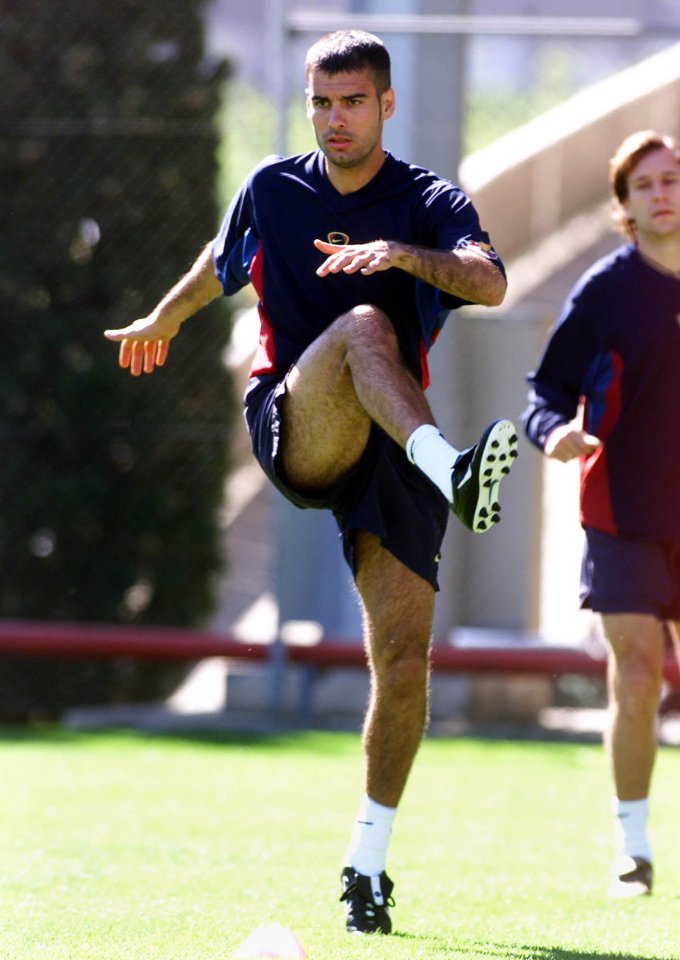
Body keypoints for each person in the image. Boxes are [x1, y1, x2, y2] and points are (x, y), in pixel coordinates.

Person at [105, 30, 518, 933]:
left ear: (386, 104)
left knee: (404, 666)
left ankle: (366, 866)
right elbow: (219, 269)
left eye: (352, 102)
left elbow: (488, 281)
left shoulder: (426, 200)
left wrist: (405, 255)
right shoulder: (273, 188)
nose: (334, 120)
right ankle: (452, 469)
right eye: (320, 102)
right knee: (367, 326)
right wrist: (162, 322)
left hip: (391, 444)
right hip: (301, 425)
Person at [522, 130, 680, 899]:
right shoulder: (606, 291)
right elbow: (543, 394)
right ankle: (633, 849)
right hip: (620, 517)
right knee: (640, 674)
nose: (662, 193)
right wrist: (554, 434)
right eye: (645, 184)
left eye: (672, 179)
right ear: (624, 205)